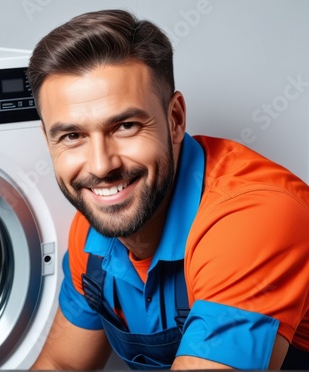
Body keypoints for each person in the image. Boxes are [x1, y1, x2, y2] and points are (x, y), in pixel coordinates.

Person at [26, 8, 309, 371]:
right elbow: (61, 364)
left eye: (125, 126)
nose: (100, 166)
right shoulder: (94, 230)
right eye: (72, 136)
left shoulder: (255, 218)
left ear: (174, 120)